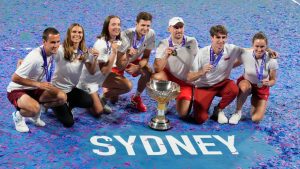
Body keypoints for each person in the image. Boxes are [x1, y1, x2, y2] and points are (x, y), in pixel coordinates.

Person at [7, 27, 67, 132]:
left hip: (34, 87)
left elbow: (69, 47)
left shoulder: (52, 50)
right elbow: (15, 78)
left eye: (58, 42)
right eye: (53, 42)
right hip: (17, 89)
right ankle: (18, 115)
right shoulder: (35, 58)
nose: (56, 45)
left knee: (62, 97)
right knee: (35, 109)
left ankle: (34, 111)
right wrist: (38, 84)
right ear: (44, 42)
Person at [187, 25, 242, 124]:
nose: (221, 41)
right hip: (204, 87)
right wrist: (201, 72)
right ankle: (201, 104)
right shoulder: (202, 53)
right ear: (212, 37)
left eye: (223, 37)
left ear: (227, 38)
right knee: (200, 119)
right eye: (218, 37)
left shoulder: (231, 49)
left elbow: (251, 51)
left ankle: (218, 109)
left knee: (233, 89)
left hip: (222, 84)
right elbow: (189, 77)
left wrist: (268, 50)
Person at [101, 12, 155, 112]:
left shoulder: (151, 34)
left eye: (148, 26)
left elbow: (146, 57)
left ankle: (136, 98)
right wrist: (128, 55)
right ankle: (105, 92)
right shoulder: (125, 36)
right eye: (143, 25)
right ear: (136, 24)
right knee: (114, 99)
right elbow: (119, 65)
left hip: (132, 60)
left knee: (148, 70)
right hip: (117, 62)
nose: (145, 28)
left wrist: (138, 67)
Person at [51, 23, 98, 127]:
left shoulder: (83, 52)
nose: (77, 34)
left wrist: (94, 59)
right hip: (57, 91)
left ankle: (68, 105)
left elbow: (92, 71)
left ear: (83, 35)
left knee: (89, 101)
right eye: (74, 32)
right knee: (69, 123)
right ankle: (51, 104)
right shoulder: (60, 50)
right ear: (69, 34)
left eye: (80, 32)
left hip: (70, 90)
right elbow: (46, 51)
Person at [153, 17, 198, 118]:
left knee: (183, 114)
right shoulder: (163, 44)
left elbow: (199, 60)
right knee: (157, 77)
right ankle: (164, 100)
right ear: (169, 29)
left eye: (181, 27)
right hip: (169, 78)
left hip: (185, 81)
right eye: (175, 27)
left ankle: (182, 96)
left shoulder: (192, 42)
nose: (178, 30)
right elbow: (157, 69)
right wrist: (166, 56)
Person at [228, 32, 278, 124]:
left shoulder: (272, 60)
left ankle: (255, 100)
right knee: (244, 87)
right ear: (252, 45)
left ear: (266, 46)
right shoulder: (246, 54)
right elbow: (231, 65)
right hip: (247, 82)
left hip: (261, 88)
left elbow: (273, 80)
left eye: (262, 47)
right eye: (257, 46)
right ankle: (237, 112)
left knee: (256, 119)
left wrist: (268, 83)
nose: (259, 49)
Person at [77, 15, 121, 115]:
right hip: (89, 80)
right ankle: (85, 97)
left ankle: (99, 97)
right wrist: (114, 52)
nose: (117, 27)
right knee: (98, 112)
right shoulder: (101, 44)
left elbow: (115, 65)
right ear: (107, 27)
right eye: (113, 24)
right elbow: (103, 71)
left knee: (125, 87)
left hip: (98, 77)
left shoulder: (117, 42)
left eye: (119, 24)